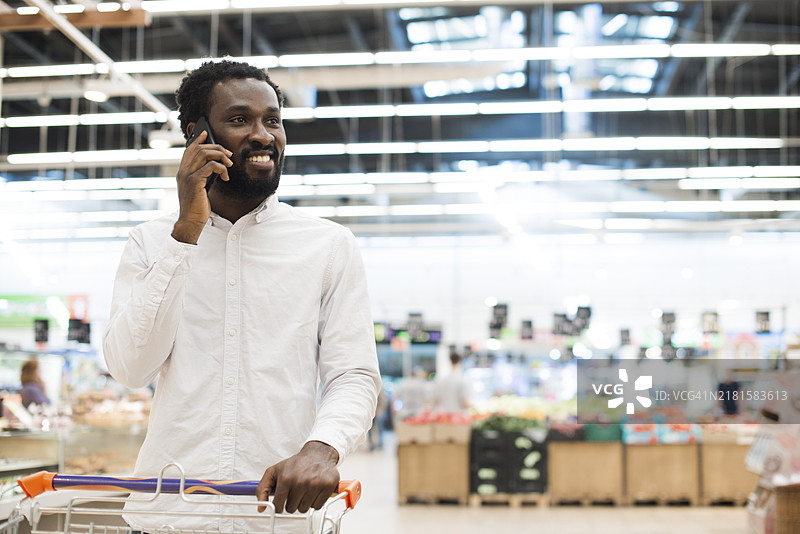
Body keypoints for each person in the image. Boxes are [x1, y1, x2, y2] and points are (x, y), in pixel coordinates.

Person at [102, 60, 380, 532]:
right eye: (239, 120)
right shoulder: (151, 243)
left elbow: (353, 374)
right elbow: (130, 368)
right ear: (197, 135)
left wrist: (322, 447)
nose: (262, 134)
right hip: (171, 514)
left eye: (272, 120)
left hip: (274, 516)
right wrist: (185, 233)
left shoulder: (329, 245)